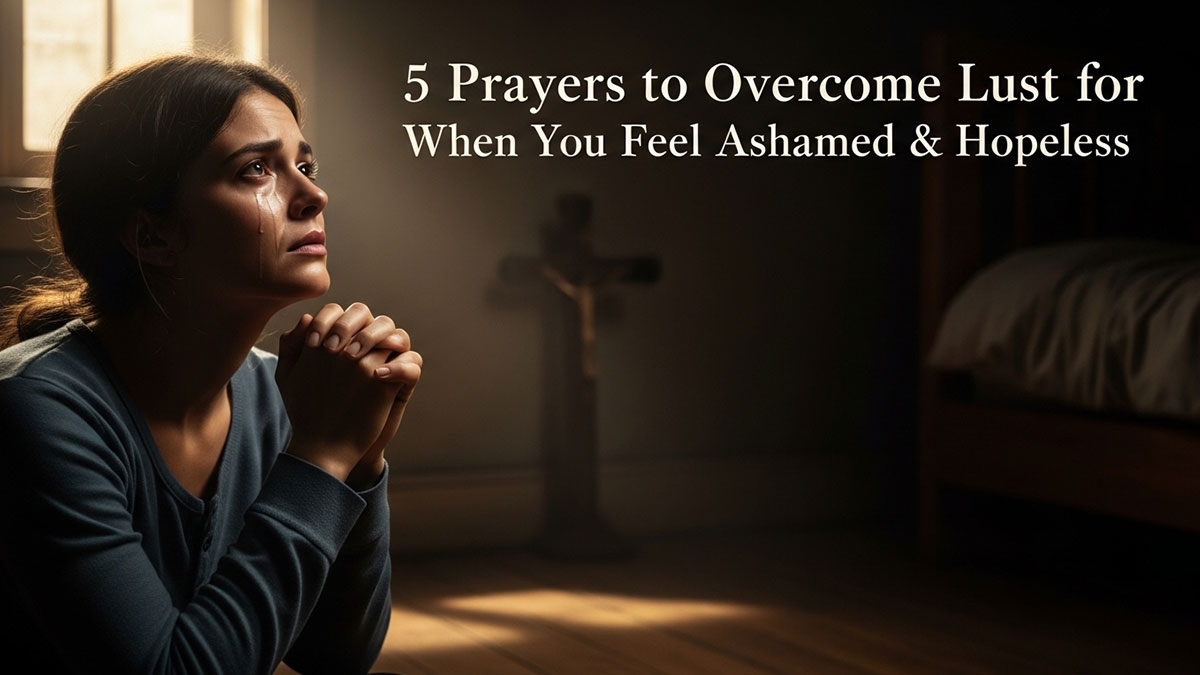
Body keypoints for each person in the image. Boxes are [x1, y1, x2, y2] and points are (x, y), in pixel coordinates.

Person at [0, 54, 422, 674]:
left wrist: (359, 461)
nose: (313, 194)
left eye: (304, 164)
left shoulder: (279, 395)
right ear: (153, 236)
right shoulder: (34, 409)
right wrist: (319, 458)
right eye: (257, 169)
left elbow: (337, 654)